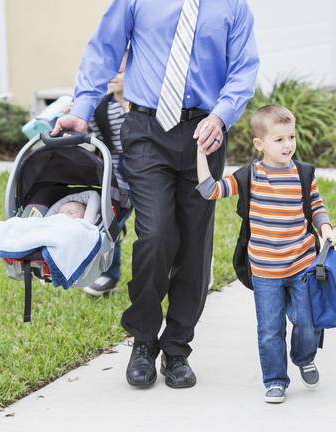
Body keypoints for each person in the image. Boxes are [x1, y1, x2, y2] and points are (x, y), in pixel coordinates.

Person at [51, 0, 260, 389]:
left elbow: (243, 69)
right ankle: (144, 341)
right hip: (146, 129)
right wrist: (82, 107)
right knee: (156, 234)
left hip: (205, 133)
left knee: (195, 243)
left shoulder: (233, 6)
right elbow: (104, 50)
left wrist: (222, 115)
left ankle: (178, 348)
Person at [195, 104, 336, 403]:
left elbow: (316, 206)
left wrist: (325, 228)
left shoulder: (303, 173)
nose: (288, 145)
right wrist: (201, 155)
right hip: (265, 270)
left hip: (302, 263)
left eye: (292, 137)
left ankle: (304, 357)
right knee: (271, 330)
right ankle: (275, 380)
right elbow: (210, 190)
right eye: (279, 140)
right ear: (259, 144)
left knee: (308, 322)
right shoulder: (250, 176)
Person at [82, 50, 134, 297]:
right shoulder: (102, 107)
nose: (113, 76)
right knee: (110, 226)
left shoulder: (141, 106)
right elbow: (99, 143)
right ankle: (108, 275)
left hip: (145, 175)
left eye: (120, 71)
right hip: (117, 179)